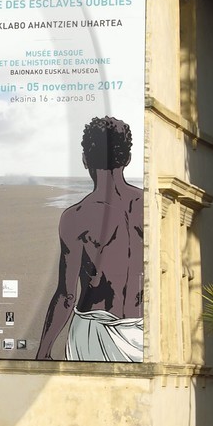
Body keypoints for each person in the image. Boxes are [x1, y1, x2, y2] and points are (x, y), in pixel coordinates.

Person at [36, 116, 144, 361]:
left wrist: (43, 352)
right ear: (127, 159)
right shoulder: (151, 206)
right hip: (143, 331)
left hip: (93, 333)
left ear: (85, 160)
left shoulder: (76, 217)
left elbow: (66, 295)